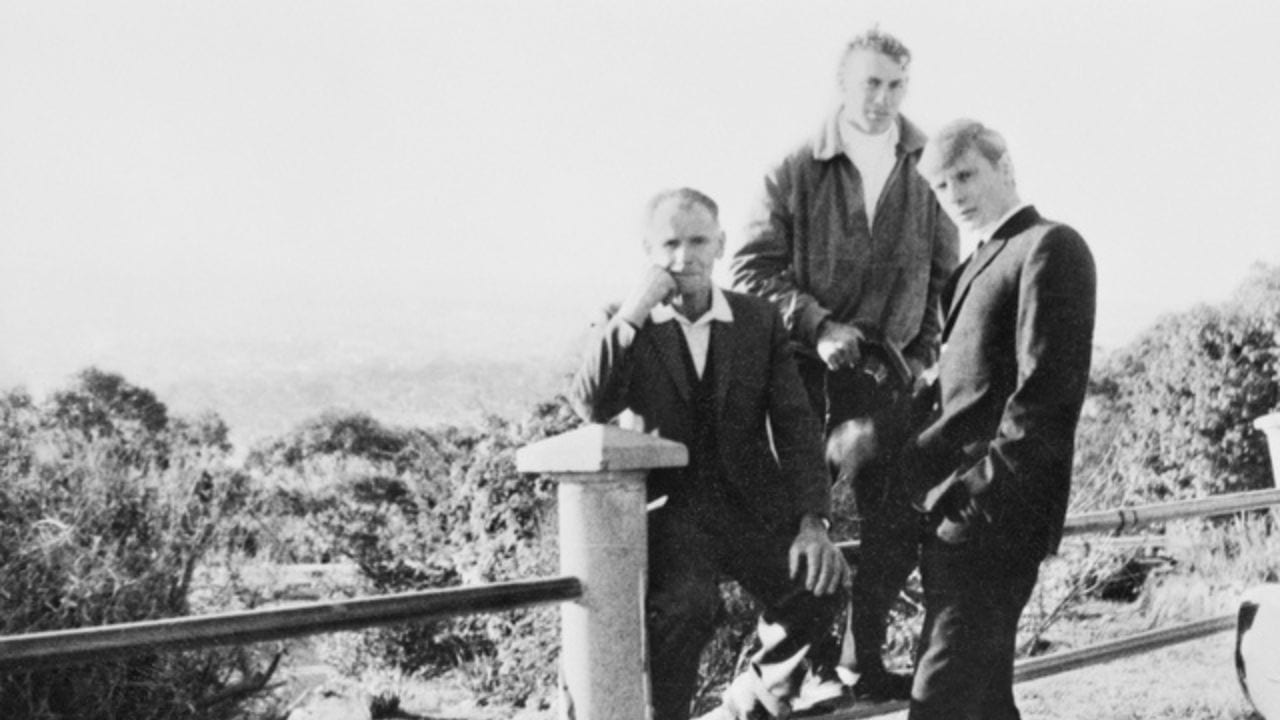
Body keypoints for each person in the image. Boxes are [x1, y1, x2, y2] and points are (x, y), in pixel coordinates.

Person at [730, 26, 958, 701]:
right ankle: (795, 674)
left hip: (891, 376)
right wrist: (817, 323)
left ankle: (861, 660)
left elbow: (945, 277)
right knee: (802, 521)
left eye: (895, 86)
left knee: (896, 525)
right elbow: (749, 270)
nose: (883, 99)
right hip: (804, 375)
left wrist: (920, 356)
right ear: (842, 85)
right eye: (871, 85)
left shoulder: (925, 165)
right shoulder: (794, 168)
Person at [570, 188, 850, 720]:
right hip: (671, 515)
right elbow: (591, 403)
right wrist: (632, 313)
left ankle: (756, 693)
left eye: (698, 240)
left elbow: (794, 424)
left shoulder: (758, 319)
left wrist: (814, 522)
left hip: (750, 507)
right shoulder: (625, 321)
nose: (684, 256)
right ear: (648, 250)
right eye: (670, 243)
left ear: (720, 244)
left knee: (822, 581)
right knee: (686, 610)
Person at [905, 119, 1096, 719]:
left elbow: (1046, 393)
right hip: (954, 518)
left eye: (965, 175)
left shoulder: (1049, 246)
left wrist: (974, 497)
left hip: (994, 518)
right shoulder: (969, 268)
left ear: (1004, 166)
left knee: (938, 701)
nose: (954, 194)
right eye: (940, 186)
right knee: (982, 701)